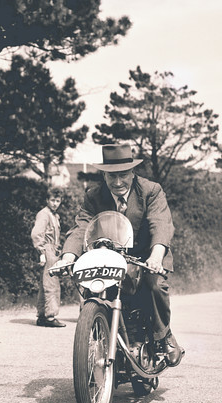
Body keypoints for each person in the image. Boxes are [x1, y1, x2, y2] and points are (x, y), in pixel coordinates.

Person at [54, 143, 184, 365]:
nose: (117, 182)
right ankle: (101, 335)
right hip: (110, 258)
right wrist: (68, 256)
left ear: (132, 172)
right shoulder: (94, 195)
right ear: (104, 174)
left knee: (154, 286)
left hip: (145, 258)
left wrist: (155, 256)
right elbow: (82, 226)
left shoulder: (150, 191)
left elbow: (160, 224)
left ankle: (163, 336)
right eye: (111, 176)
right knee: (92, 289)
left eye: (123, 175)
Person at [31, 186, 66, 327]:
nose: (55, 203)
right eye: (52, 200)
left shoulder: (55, 216)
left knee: (45, 283)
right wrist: (41, 252)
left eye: (58, 201)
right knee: (52, 284)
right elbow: (36, 233)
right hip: (48, 249)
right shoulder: (44, 214)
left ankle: (41, 316)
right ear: (47, 200)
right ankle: (50, 317)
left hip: (53, 250)